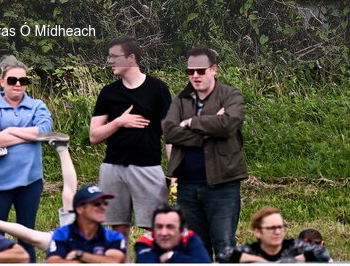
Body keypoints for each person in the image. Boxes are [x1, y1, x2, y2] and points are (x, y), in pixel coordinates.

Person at [162, 46, 247, 259]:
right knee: (195, 248)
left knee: (224, 244)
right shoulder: (181, 99)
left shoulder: (231, 95)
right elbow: (170, 133)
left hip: (222, 184)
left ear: (213, 70)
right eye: (190, 71)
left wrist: (191, 122)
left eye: (200, 70)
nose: (195, 76)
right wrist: (209, 128)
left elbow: (228, 125)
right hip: (187, 186)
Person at [89, 36, 172, 250]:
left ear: (131, 57)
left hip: (148, 168)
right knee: (118, 229)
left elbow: (169, 135)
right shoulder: (109, 93)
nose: (110, 61)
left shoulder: (158, 89)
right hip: (113, 169)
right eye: (109, 56)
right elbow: (94, 136)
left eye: (114, 56)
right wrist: (118, 122)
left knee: (157, 228)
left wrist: (176, 170)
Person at [0, 55, 61, 263]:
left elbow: (44, 132)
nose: (18, 85)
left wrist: (11, 130)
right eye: (12, 80)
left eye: (23, 81)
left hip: (30, 181)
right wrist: (26, 133)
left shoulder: (37, 106)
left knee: (27, 235)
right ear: (2, 82)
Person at [0, 140, 78, 253]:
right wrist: (63, 150)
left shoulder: (102, 237)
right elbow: (70, 191)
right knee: (32, 237)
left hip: (69, 245)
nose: (100, 207)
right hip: (71, 240)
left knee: (32, 237)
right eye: (96, 204)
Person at [45, 185, 126, 263]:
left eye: (105, 203)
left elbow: (114, 262)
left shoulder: (114, 236)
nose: (103, 207)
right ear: (80, 209)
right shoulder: (62, 233)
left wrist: (79, 254)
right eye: (97, 204)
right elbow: (53, 262)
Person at [219, 206, 332, 262]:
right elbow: (224, 255)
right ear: (258, 232)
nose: (277, 232)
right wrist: (261, 261)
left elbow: (323, 253)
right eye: (271, 228)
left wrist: (291, 261)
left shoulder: (294, 246)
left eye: (280, 227)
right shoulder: (251, 249)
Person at [134, 204, 211, 263]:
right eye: (159, 227)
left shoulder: (190, 238)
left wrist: (172, 256)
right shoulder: (144, 242)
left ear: (181, 231)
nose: (164, 233)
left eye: (170, 227)